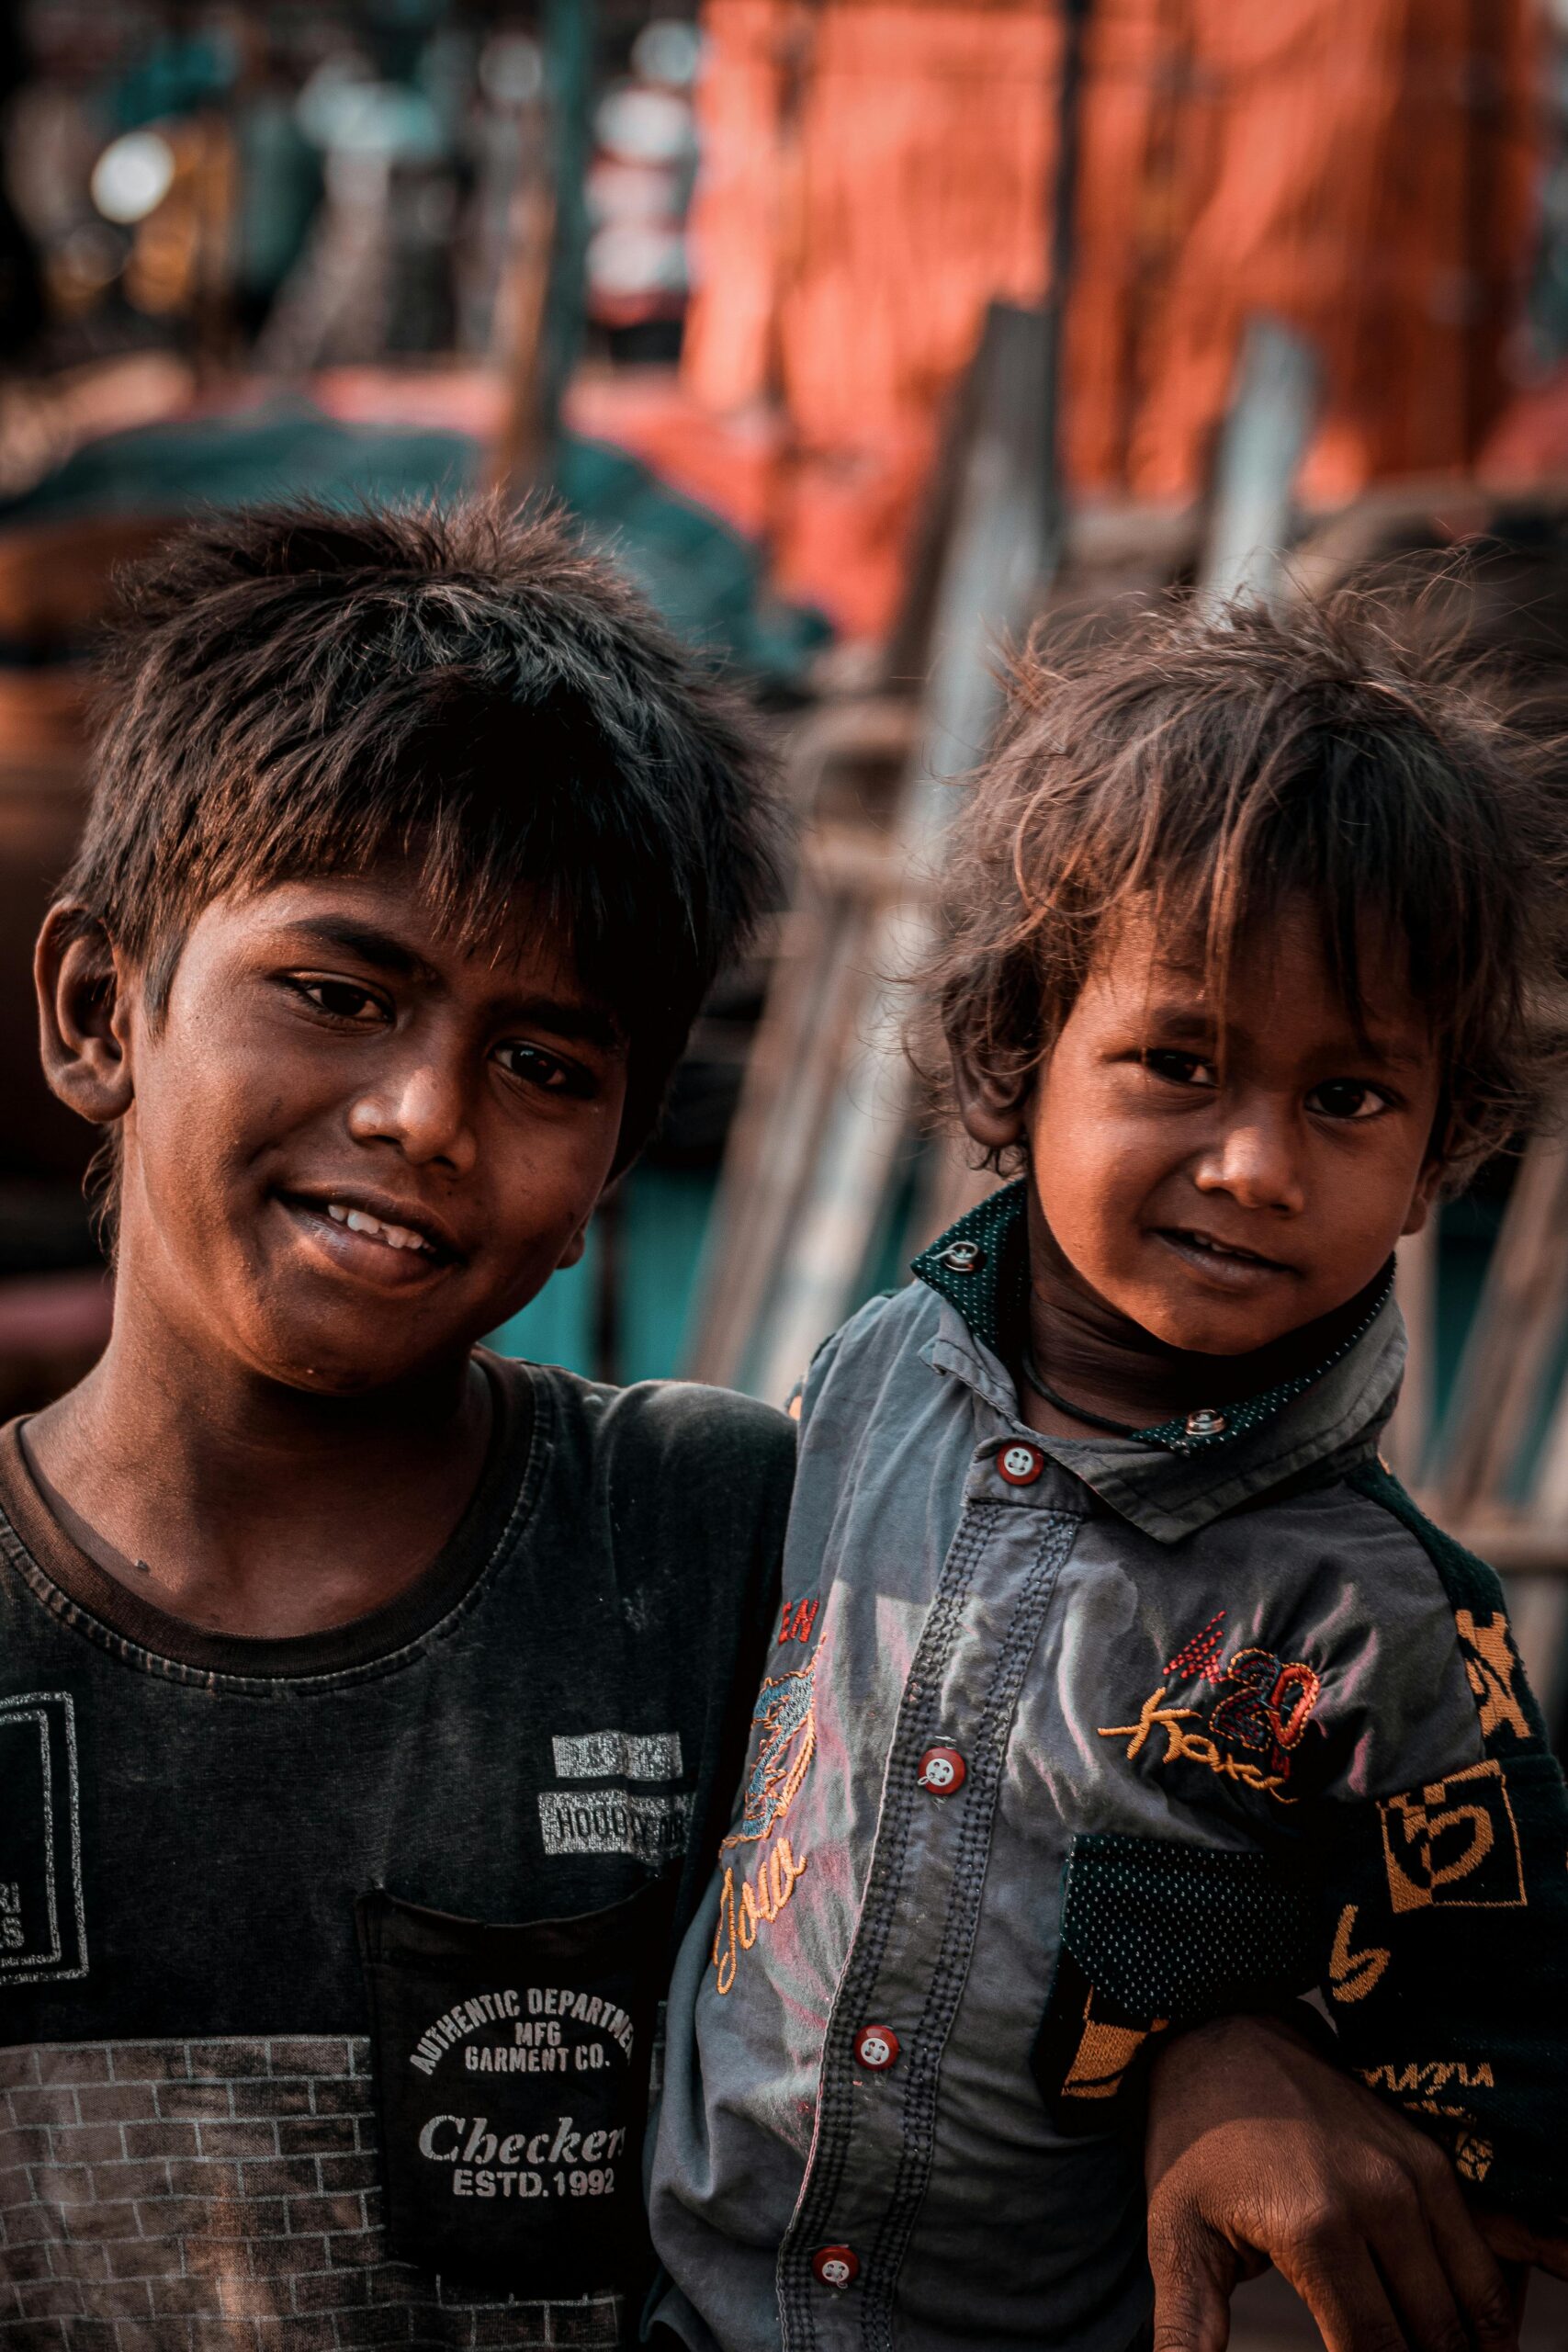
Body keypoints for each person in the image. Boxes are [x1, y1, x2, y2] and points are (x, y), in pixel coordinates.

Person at [649, 591, 1568, 2352]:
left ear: (1443, 1146)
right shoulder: (871, 1381)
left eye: (1350, 1099)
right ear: (1021, 1052)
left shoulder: (1388, 1628)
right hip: (686, 2310)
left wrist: (1274, 2055)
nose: (1251, 1162)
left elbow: (1503, 2044)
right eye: (1177, 1061)